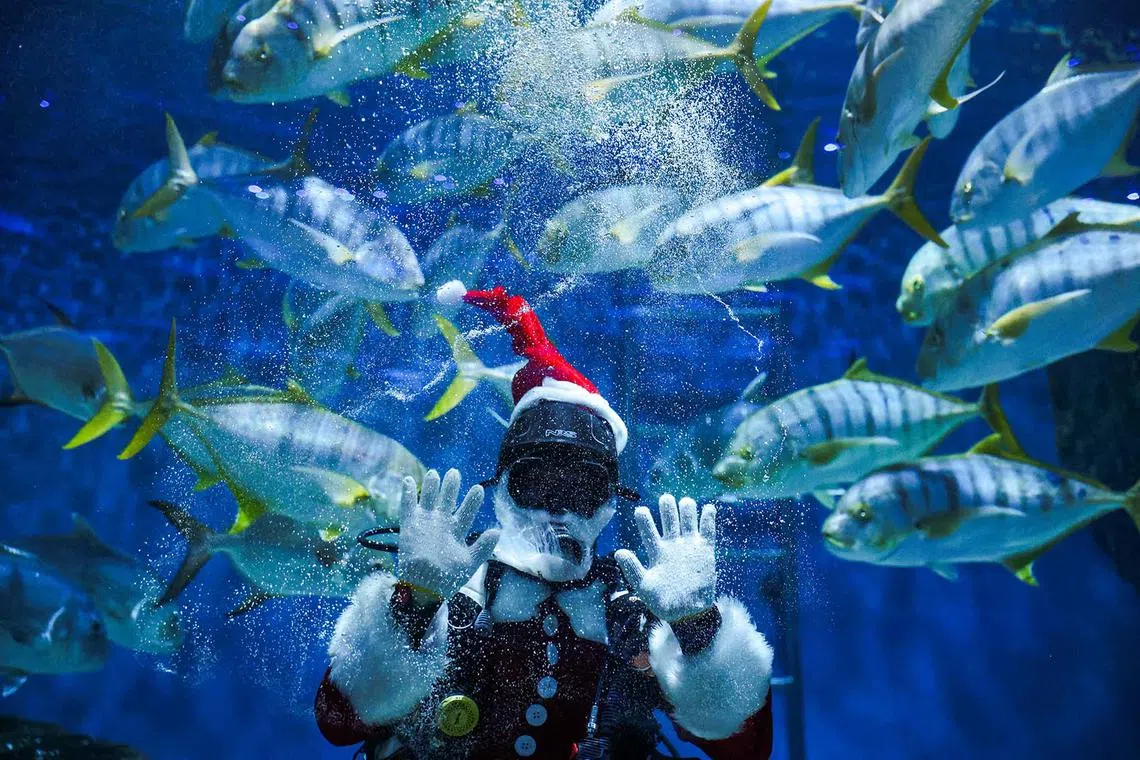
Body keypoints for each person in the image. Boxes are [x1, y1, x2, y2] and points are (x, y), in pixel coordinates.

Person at [315, 283, 775, 759]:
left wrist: (698, 626)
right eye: (535, 484)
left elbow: (749, 750)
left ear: (610, 504)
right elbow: (337, 723)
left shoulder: (633, 611)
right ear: (501, 491)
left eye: (582, 490)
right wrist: (412, 605)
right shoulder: (448, 582)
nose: (557, 510)